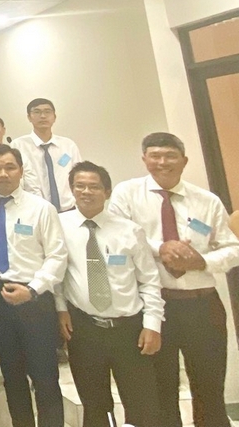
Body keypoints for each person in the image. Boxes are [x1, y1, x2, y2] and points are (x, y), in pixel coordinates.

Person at [109, 133, 239, 427]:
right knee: (161, 391)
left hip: (202, 304)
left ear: (184, 161)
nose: (162, 162)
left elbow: (233, 249)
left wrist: (202, 261)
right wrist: (161, 248)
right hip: (155, 308)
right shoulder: (127, 194)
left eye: (170, 156)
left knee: (210, 388)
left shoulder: (206, 201)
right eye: (155, 156)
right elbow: (118, 238)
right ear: (144, 159)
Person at [55, 161, 163, 427]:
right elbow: (56, 272)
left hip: (128, 330)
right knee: (95, 406)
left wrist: (152, 325)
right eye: (79, 186)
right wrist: (61, 308)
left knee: (141, 403)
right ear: (72, 189)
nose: (86, 192)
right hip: (84, 329)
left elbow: (150, 281)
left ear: (107, 192)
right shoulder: (58, 225)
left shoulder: (129, 230)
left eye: (94, 187)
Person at [0, 144, 67, 427]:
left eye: (9, 167)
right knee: (12, 375)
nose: (3, 174)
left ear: (21, 170)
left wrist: (33, 289)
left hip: (34, 298)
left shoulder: (41, 208)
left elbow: (57, 256)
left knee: (45, 376)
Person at [11, 98, 82, 212]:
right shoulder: (18, 145)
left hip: (69, 210)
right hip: (34, 210)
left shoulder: (68, 145)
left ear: (54, 117)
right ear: (29, 117)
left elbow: (79, 176)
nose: (43, 116)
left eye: (47, 112)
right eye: (37, 112)